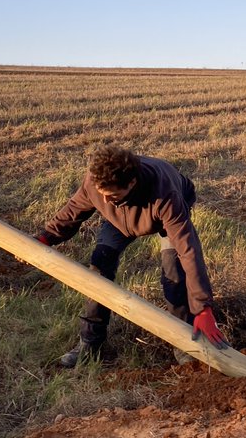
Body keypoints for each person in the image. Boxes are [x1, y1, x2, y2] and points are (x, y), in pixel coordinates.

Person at [33, 144, 229, 367]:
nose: (105, 202)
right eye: (102, 195)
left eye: (113, 196)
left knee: (174, 275)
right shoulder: (96, 182)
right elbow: (74, 210)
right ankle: (90, 342)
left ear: (132, 183)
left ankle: (185, 343)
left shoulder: (165, 194)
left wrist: (203, 307)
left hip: (162, 215)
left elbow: (188, 250)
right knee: (99, 268)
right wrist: (46, 237)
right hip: (118, 222)